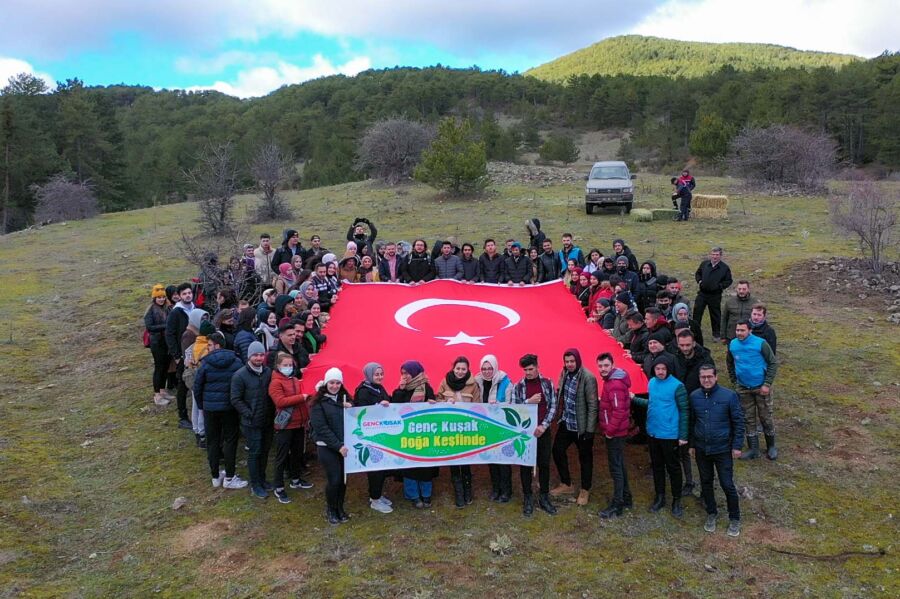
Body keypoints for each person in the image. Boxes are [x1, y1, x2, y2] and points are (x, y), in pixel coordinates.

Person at [689, 364, 743, 537]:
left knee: (727, 484)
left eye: (709, 376)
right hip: (701, 448)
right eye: (703, 377)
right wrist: (691, 445)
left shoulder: (729, 396)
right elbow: (691, 422)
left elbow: (738, 422)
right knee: (706, 482)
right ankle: (711, 513)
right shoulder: (694, 396)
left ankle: (734, 518)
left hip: (723, 449)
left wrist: (737, 446)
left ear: (716, 377)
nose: (706, 380)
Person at [632, 355, 689, 518]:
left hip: (670, 433)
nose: (660, 372)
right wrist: (634, 399)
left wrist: (683, 434)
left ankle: (676, 500)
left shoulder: (678, 386)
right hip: (653, 432)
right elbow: (652, 404)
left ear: (669, 369)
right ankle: (660, 496)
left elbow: (685, 411)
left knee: (673, 467)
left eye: (663, 369)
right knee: (657, 466)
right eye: (658, 369)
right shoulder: (651, 383)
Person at [193, 332, 246, 489]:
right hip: (230, 408)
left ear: (217, 345)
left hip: (210, 409)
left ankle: (215, 476)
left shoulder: (206, 364)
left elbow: (197, 387)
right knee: (230, 440)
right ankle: (230, 476)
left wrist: (202, 405)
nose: (208, 348)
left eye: (209, 345)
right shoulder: (236, 362)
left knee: (213, 441)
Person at [511, 354, 557, 517]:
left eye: (531, 369)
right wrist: (528, 402)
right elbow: (514, 408)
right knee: (525, 465)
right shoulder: (519, 386)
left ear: (537, 367)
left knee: (543, 464)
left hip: (542, 430)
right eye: (525, 370)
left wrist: (544, 426)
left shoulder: (547, 383)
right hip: (525, 432)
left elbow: (553, 406)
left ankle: (544, 496)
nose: (528, 373)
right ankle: (528, 497)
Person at [550, 349, 598, 507]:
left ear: (578, 360)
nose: (570, 364)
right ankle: (566, 484)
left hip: (582, 426)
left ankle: (585, 489)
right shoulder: (564, 373)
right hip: (567, 422)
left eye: (572, 361)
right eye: (567, 361)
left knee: (585, 458)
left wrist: (590, 430)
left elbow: (593, 405)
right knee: (557, 450)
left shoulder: (588, 378)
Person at [726, 320, 778, 460]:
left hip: (761, 387)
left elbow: (773, 363)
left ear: (750, 331)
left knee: (765, 417)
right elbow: (729, 362)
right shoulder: (733, 344)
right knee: (748, 418)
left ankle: (771, 446)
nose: (739, 333)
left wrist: (767, 384)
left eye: (742, 330)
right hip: (743, 388)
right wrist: (734, 381)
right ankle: (753, 449)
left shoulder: (760, 344)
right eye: (737, 330)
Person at [435, 357, 482, 507]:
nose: (460, 371)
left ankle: (468, 491)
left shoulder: (473, 385)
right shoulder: (444, 382)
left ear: (468, 369)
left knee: (466, 461)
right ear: (453, 368)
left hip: (466, 429)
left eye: (463, 369)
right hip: (449, 429)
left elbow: (478, 405)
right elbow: (437, 400)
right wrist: (444, 403)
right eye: (458, 368)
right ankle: (459, 494)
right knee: (454, 461)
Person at [230, 341, 274, 499]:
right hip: (251, 422)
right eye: (255, 355)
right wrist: (249, 413)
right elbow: (235, 399)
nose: (259, 358)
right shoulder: (240, 375)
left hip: (268, 420)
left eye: (262, 355)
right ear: (249, 356)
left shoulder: (268, 372)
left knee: (265, 451)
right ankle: (255, 484)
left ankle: (262, 479)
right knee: (255, 453)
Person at [391, 361, 438, 508]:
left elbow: (434, 409)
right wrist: (401, 389)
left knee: (425, 465)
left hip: (424, 434)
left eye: (407, 373)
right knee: (409, 466)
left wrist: (433, 404)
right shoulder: (401, 389)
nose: (404, 376)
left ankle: (426, 495)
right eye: (402, 373)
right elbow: (394, 407)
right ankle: (413, 496)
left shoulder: (427, 387)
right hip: (407, 434)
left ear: (416, 372)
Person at [269, 351, 313, 504]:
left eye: (290, 365)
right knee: (281, 457)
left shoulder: (295, 379)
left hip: (299, 423)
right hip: (285, 425)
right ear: (278, 366)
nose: (288, 367)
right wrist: (301, 397)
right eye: (285, 365)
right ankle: (279, 487)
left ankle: (296, 479)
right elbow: (280, 401)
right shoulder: (275, 383)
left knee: (297, 453)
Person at [310, 367, 353, 524]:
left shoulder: (344, 398)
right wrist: (338, 446)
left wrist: (351, 407)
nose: (335, 386)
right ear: (326, 383)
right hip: (327, 447)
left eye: (338, 383)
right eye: (332, 383)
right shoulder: (318, 402)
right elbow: (321, 428)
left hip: (343, 447)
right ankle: (331, 509)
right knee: (334, 479)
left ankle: (340, 508)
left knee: (343, 480)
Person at [596, 353, 634, 518]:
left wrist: (609, 431)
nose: (603, 369)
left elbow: (618, 411)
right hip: (618, 431)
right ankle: (626, 497)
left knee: (616, 468)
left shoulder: (614, 384)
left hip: (615, 433)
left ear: (612, 365)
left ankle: (617, 504)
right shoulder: (612, 382)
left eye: (606, 365)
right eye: (600, 366)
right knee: (620, 464)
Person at [353, 363, 394, 514]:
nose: (379, 377)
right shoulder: (363, 391)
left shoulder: (379, 388)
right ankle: (375, 500)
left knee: (382, 467)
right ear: (369, 375)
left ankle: (376, 495)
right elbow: (361, 412)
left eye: (381, 374)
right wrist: (377, 405)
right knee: (375, 468)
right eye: (376, 374)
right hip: (370, 436)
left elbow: (389, 402)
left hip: (382, 434)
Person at [473, 354, 513, 502]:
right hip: (487, 427)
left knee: (503, 460)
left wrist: (499, 406)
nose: (487, 371)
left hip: (502, 427)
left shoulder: (506, 383)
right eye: (484, 368)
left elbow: (511, 405)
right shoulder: (478, 382)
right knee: (492, 460)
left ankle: (506, 491)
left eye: (490, 368)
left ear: (495, 367)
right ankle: (496, 489)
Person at [165, 282, 196, 430]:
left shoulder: (195, 308)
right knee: (182, 386)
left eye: (189, 293)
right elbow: (169, 334)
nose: (187, 295)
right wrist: (177, 356)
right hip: (182, 356)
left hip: (195, 353)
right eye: (184, 294)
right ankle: (182, 417)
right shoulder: (176, 312)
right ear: (179, 296)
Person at [694, 247, 733, 342]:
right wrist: (699, 281)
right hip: (702, 294)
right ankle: (694, 332)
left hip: (715, 296)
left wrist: (719, 286)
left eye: (717, 255)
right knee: (697, 313)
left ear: (720, 256)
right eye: (713, 254)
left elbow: (728, 281)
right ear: (710, 255)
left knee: (715, 315)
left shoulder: (724, 268)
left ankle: (716, 334)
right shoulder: (704, 264)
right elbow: (698, 273)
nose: (714, 256)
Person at [145, 284, 172, 406]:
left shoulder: (167, 308)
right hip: (156, 343)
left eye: (163, 297)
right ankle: (157, 394)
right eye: (159, 297)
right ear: (154, 298)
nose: (161, 299)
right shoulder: (150, 310)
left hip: (166, 342)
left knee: (166, 366)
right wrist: (166, 326)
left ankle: (162, 390)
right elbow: (150, 327)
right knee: (159, 367)